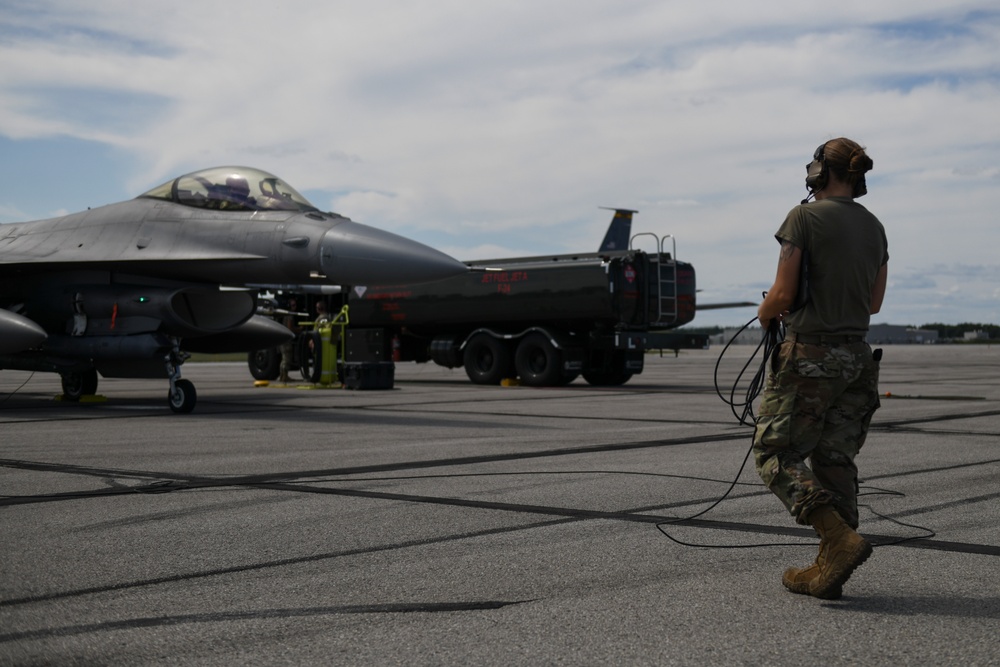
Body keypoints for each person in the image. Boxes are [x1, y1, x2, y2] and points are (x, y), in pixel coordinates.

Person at [753, 137, 888, 600]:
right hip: (857, 359)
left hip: (810, 355)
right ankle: (831, 566)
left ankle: (837, 539)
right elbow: (874, 301)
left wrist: (766, 312)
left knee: (774, 454)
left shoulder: (802, 218)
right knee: (834, 459)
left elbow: (784, 294)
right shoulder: (875, 227)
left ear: (820, 172)